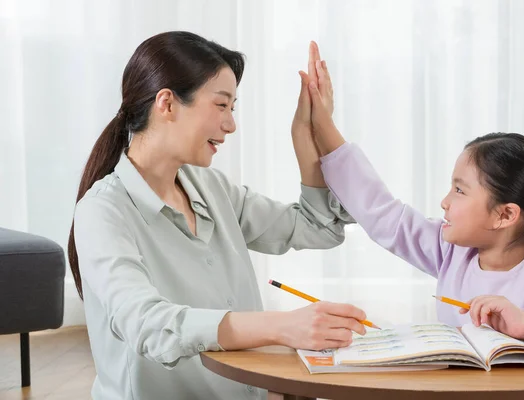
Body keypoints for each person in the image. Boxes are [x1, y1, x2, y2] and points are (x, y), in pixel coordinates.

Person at [68, 31, 368, 400]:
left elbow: (318, 227)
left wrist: (309, 136)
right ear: (167, 104)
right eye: (221, 105)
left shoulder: (210, 189)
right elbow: (148, 326)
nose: (231, 124)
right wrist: (281, 326)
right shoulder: (103, 211)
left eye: (233, 108)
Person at [302, 59, 524, 347]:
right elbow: (384, 215)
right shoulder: (452, 254)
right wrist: (323, 125)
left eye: (459, 190)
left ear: (505, 214)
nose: (445, 202)